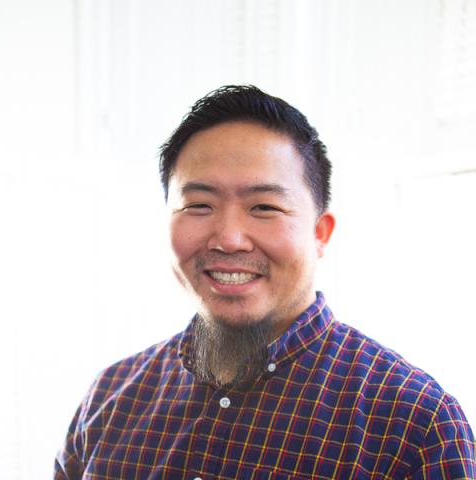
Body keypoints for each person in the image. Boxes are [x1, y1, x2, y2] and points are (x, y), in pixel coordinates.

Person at [55, 85, 475, 479]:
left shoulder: (416, 425)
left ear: (320, 233)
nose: (229, 239)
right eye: (199, 205)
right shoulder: (110, 398)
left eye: (264, 207)